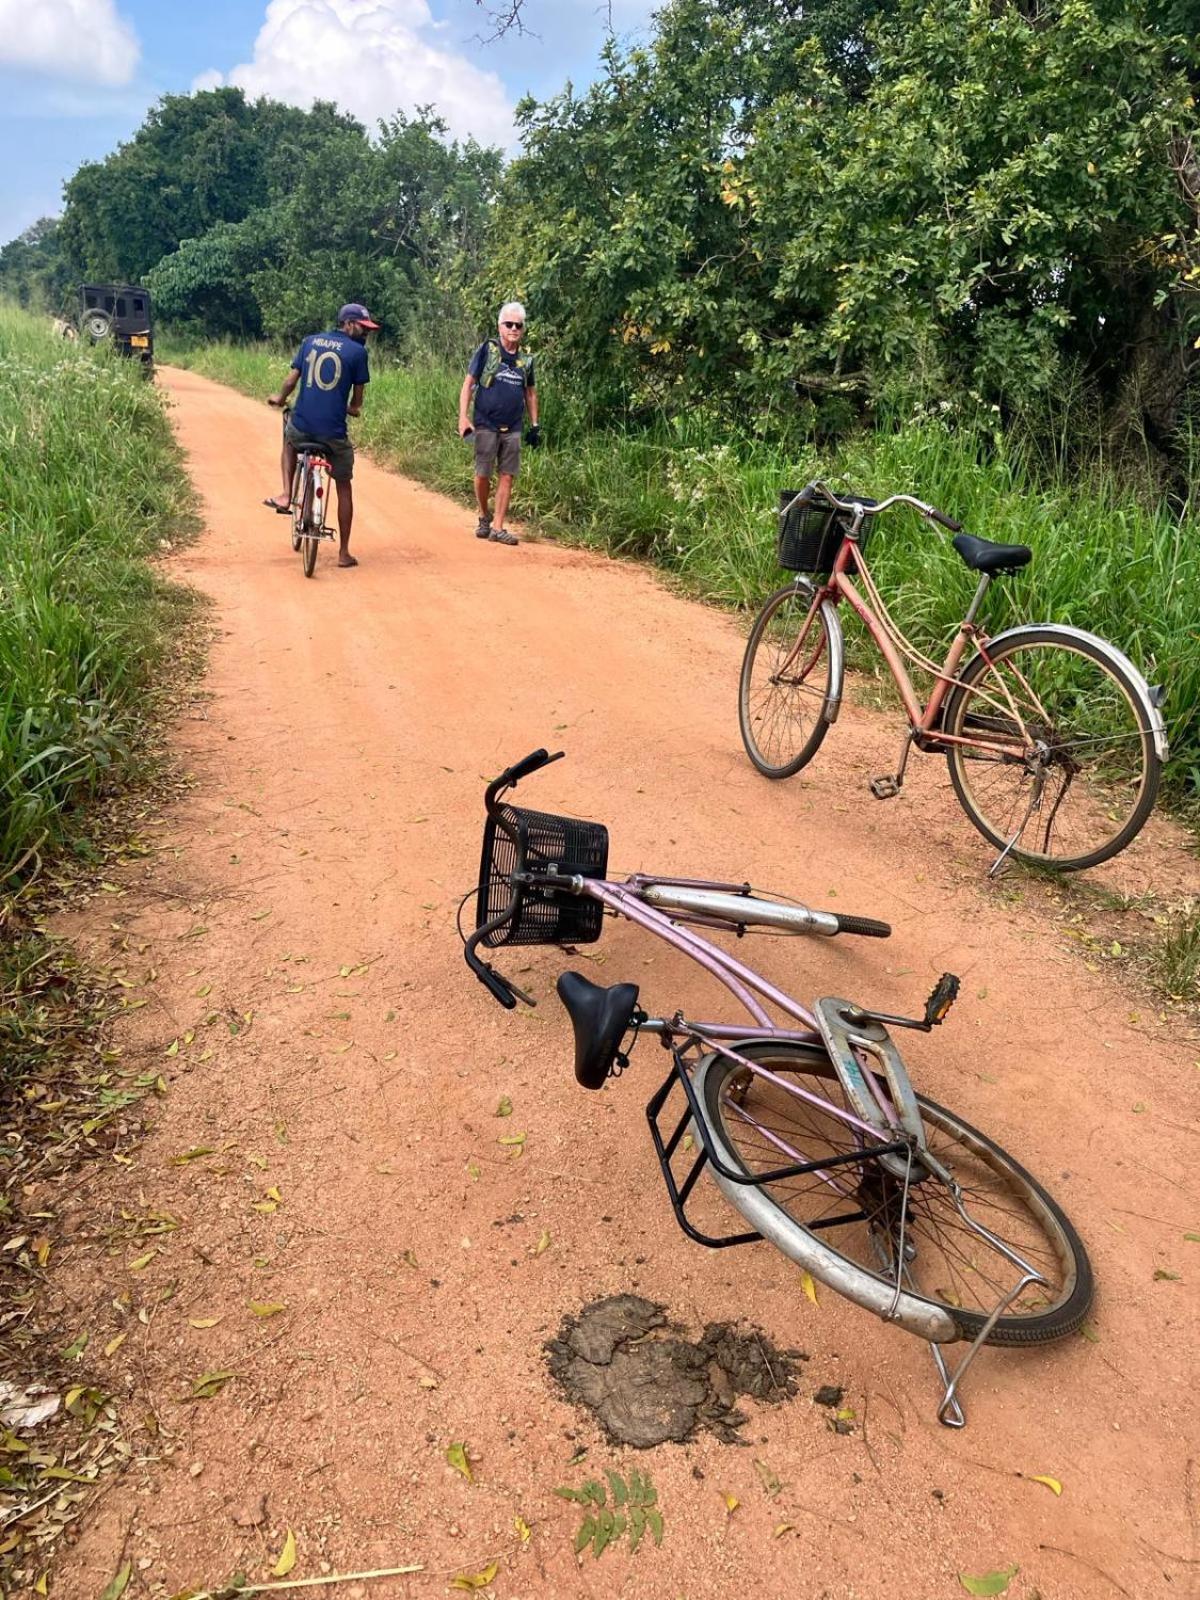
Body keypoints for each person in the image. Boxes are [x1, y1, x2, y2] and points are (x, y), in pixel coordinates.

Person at [266, 302, 378, 568]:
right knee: (343, 485)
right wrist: (352, 409)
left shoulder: (310, 341)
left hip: (303, 426)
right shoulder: (358, 353)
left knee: (289, 438)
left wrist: (279, 398)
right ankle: (344, 553)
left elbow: (291, 381)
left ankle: (285, 494)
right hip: (334, 434)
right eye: (363, 328)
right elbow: (357, 401)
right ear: (348, 324)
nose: (365, 334)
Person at [458, 301, 539, 547]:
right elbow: (469, 383)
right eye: (509, 324)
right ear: (500, 326)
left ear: (523, 329)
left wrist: (535, 424)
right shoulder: (488, 350)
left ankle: (498, 527)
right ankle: (484, 515)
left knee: (507, 475)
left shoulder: (526, 361)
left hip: (513, 425)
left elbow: (531, 394)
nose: (514, 328)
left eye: (518, 325)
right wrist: (463, 416)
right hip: (485, 422)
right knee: (483, 473)